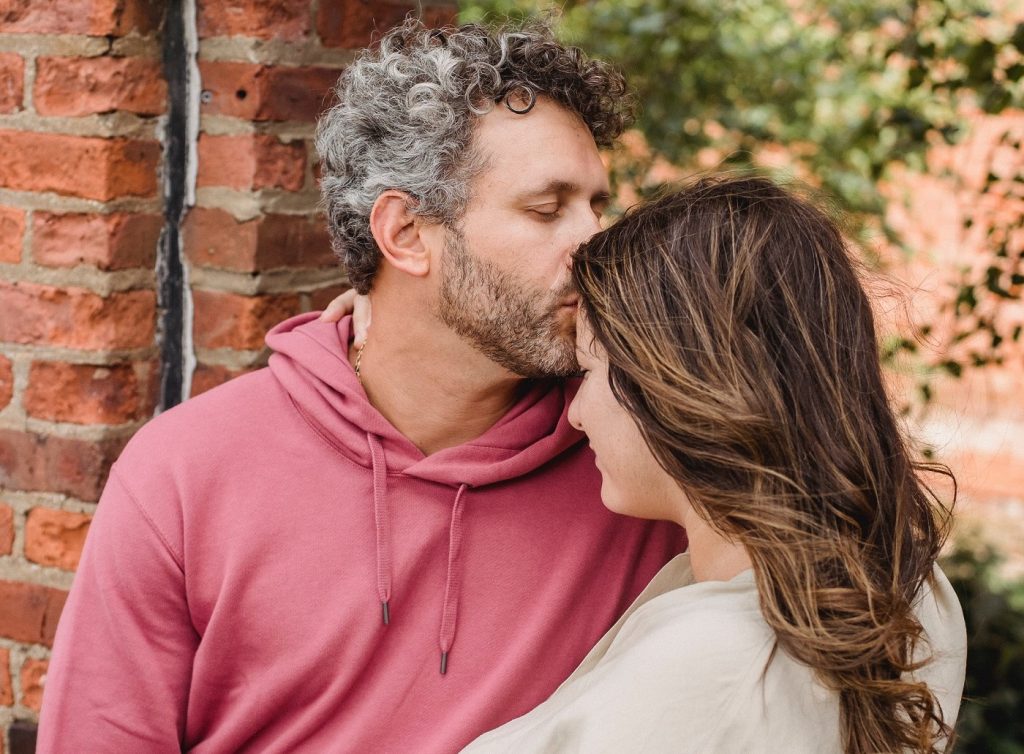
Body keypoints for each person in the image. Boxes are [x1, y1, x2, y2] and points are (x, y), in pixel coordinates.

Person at [37, 20, 684, 753]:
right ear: (406, 233)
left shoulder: (639, 462)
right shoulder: (185, 471)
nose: (594, 244)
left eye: (597, 206)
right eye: (547, 209)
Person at [457, 176, 967, 753]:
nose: (574, 415)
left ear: (679, 383)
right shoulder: (909, 591)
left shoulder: (709, 667)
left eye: (589, 372)